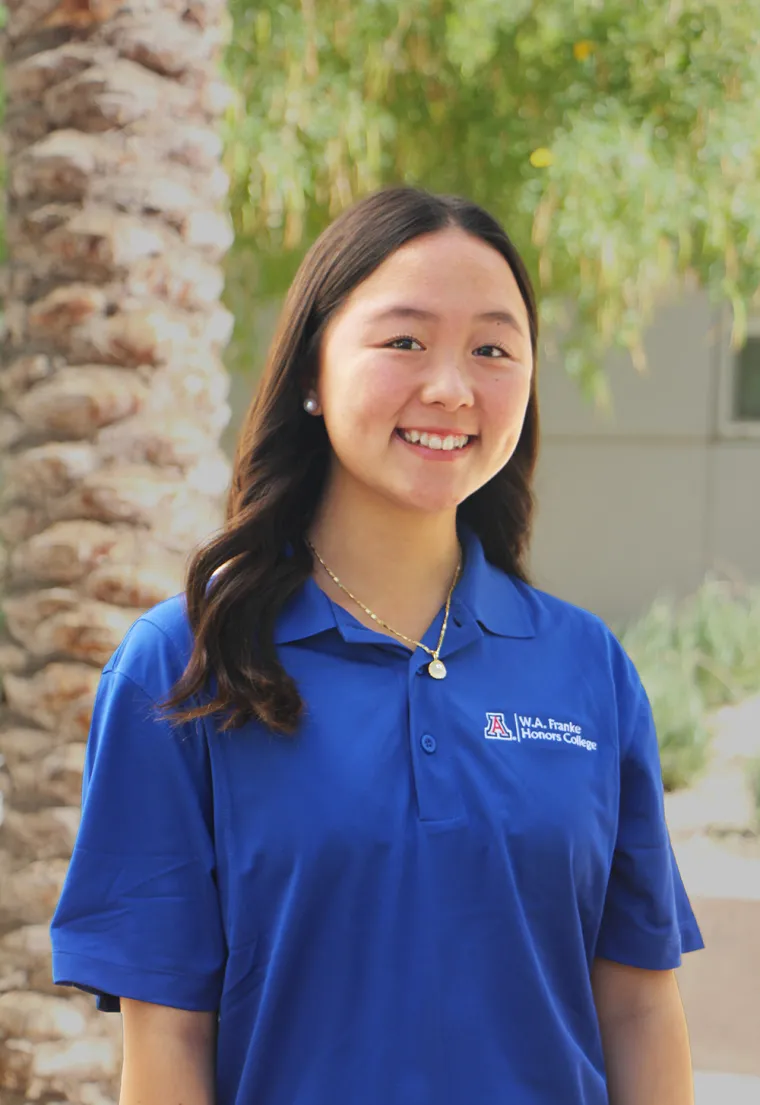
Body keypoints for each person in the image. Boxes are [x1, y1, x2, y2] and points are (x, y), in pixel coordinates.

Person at [51, 186, 704, 1105]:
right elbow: (167, 1043)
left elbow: (636, 1007)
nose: (450, 386)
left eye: (492, 348)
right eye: (404, 340)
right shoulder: (185, 663)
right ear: (312, 373)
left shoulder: (587, 666)